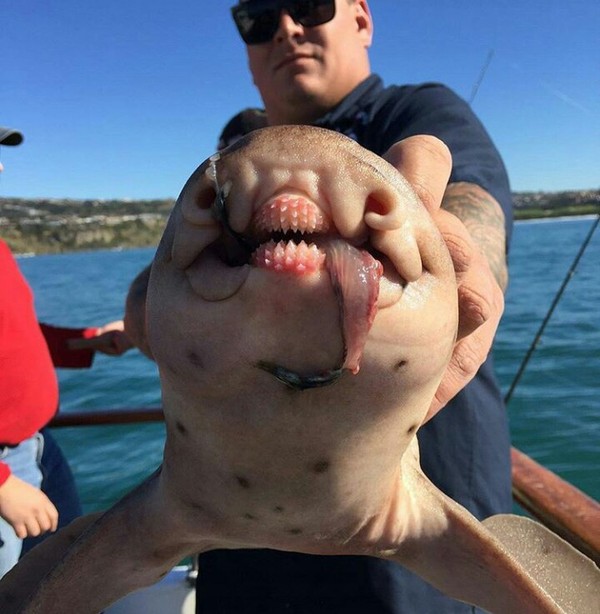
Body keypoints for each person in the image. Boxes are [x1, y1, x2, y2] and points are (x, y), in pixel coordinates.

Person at [124, 2, 512, 611]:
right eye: (257, 21)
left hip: (423, 521)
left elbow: (473, 201)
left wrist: (461, 245)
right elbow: (148, 308)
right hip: (237, 543)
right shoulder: (223, 167)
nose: (285, 28)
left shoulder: (417, 111)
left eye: (308, 4)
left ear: (361, 19)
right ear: (249, 58)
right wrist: (155, 291)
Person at [0, 126, 133, 576]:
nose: (0, 166)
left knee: (67, 575)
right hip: (5, 472)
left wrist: (88, 340)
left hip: (37, 446)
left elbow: (17, 334)